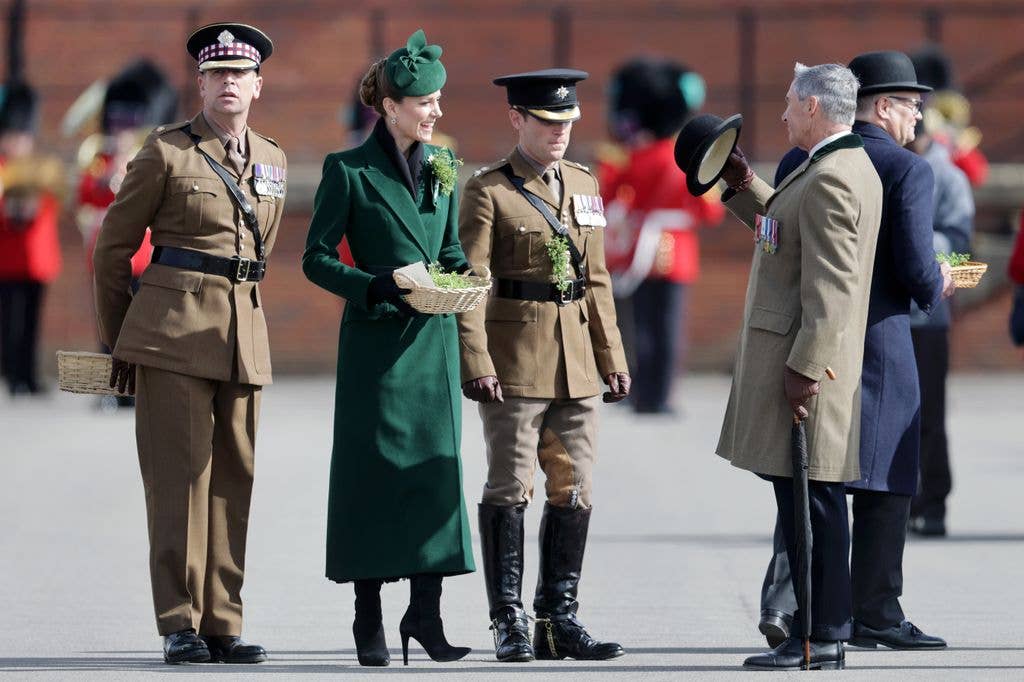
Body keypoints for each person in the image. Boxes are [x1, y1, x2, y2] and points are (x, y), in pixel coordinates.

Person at [92, 22, 284, 665]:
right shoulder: (166, 152)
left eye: (240, 74)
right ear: (200, 83)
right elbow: (112, 251)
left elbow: (260, 250)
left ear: (258, 85)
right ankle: (180, 621)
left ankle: (222, 622)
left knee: (234, 479)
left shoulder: (275, 160)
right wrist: (121, 343)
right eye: (217, 73)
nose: (229, 83)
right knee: (178, 482)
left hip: (242, 337)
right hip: (170, 336)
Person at [756, 51, 954, 653]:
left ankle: (803, 610)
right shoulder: (905, 169)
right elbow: (918, 269)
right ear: (884, 105)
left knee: (812, 483)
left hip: (811, 341)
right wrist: (938, 280)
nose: (918, 120)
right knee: (885, 484)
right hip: (880, 341)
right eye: (912, 107)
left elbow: (774, 235)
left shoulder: (802, 158)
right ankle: (875, 611)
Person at [302, 29, 474, 668]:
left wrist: (459, 279)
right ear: (393, 106)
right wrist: (373, 285)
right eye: (426, 102)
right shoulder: (346, 171)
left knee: (433, 479)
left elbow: (450, 250)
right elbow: (315, 259)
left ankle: (425, 615)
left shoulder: (444, 166)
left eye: (438, 100)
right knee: (371, 480)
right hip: (377, 348)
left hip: (434, 344)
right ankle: (367, 614)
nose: (436, 111)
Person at [458, 68, 630, 663]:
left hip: (577, 361)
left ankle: (558, 617)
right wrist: (476, 359)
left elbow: (597, 280)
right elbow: (472, 284)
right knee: (510, 486)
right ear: (517, 120)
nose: (559, 133)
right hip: (514, 361)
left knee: (576, 488)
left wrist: (612, 356)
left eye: (567, 123)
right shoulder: (489, 190)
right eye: (546, 122)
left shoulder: (585, 184)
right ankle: (507, 619)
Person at [716, 62, 883, 670]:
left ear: (814, 107)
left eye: (789, 102)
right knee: (803, 502)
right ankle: (819, 632)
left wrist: (806, 367)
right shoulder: (831, 167)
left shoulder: (836, 175)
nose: (783, 113)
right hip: (804, 364)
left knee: (814, 505)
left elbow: (832, 288)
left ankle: (820, 635)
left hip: (811, 370)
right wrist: (745, 187)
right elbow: (783, 235)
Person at [599, 58, 724, 414]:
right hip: (676, 247)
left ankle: (639, 392)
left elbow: (614, 197)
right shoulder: (686, 159)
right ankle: (662, 394)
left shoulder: (636, 157)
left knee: (639, 326)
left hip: (640, 245)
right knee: (668, 327)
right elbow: (710, 212)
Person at [76, 59, 178, 409]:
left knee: (139, 325)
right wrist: (105, 181)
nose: (120, 133)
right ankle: (109, 388)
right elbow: (84, 196)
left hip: (140, 254)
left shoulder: (143, 158)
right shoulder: (98, 161)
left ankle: (136, 389)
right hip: (105, 251)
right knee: (107, 323)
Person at [907, 118, 974, 537]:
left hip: (929, 318)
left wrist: (909, 238)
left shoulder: (948, 178)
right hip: (881, 313)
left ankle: (933, 502)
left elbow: (964, 258)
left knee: (929, 414)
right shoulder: (879, 166)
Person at [0, 80, 64, 396]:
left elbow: (55, 199)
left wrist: (33, 207)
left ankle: (27, 375)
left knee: (31, 323)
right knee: (7, 323)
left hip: (36, 258)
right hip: (6, 257)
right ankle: (11, 375)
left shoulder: (42, 167)